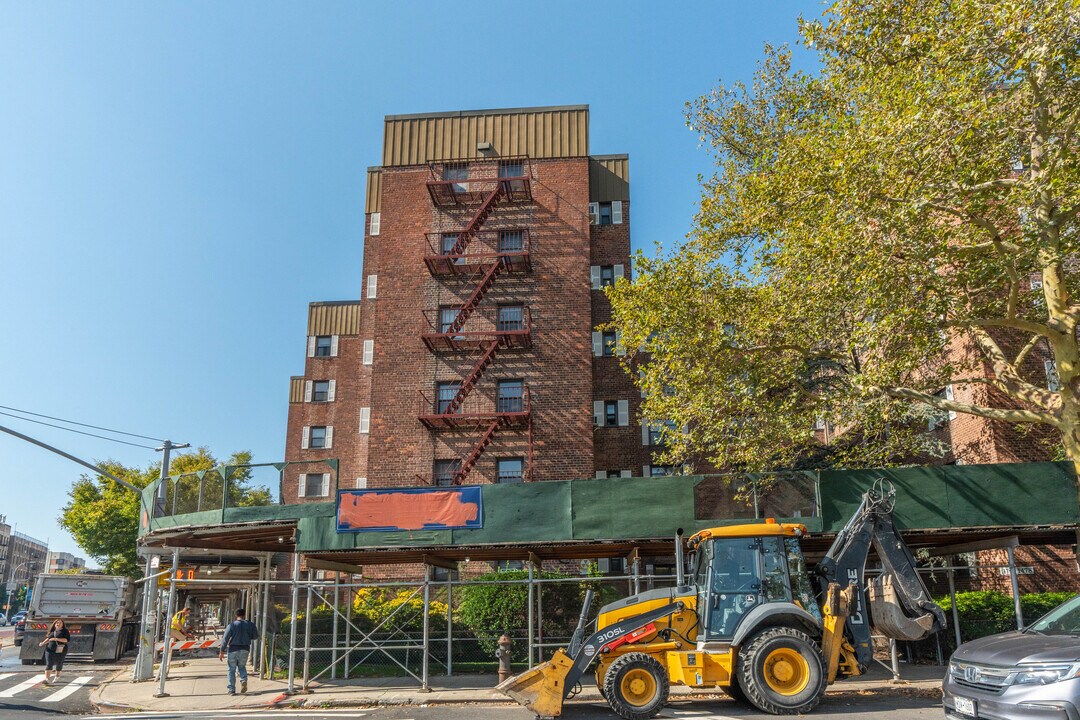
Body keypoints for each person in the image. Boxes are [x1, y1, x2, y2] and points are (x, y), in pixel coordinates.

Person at [219, 608, 258, 695]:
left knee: (231, 669)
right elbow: (255, 636)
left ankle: (231, 689)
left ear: (236, 615)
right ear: (244, 615)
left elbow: (225, 639)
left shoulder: (231, 625)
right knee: (242, 666)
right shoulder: (250, 624)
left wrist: (222, 651)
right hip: (245, 648)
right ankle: (243, 680)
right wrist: (247, 637)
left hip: (233, 649)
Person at [38, 618, 70, 685]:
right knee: (49, 663)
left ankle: (57, 676)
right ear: (54, 624)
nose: (58, 624)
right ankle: (47, 679)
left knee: (59, 663)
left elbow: (66, 640)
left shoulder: (65, 631)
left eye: (60, 623)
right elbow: (49, 638)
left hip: (61, 649)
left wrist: (56, 639)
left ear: (62, 624)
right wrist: (43, 643)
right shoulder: (52, 631)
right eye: (57, 623)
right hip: (50, 649)